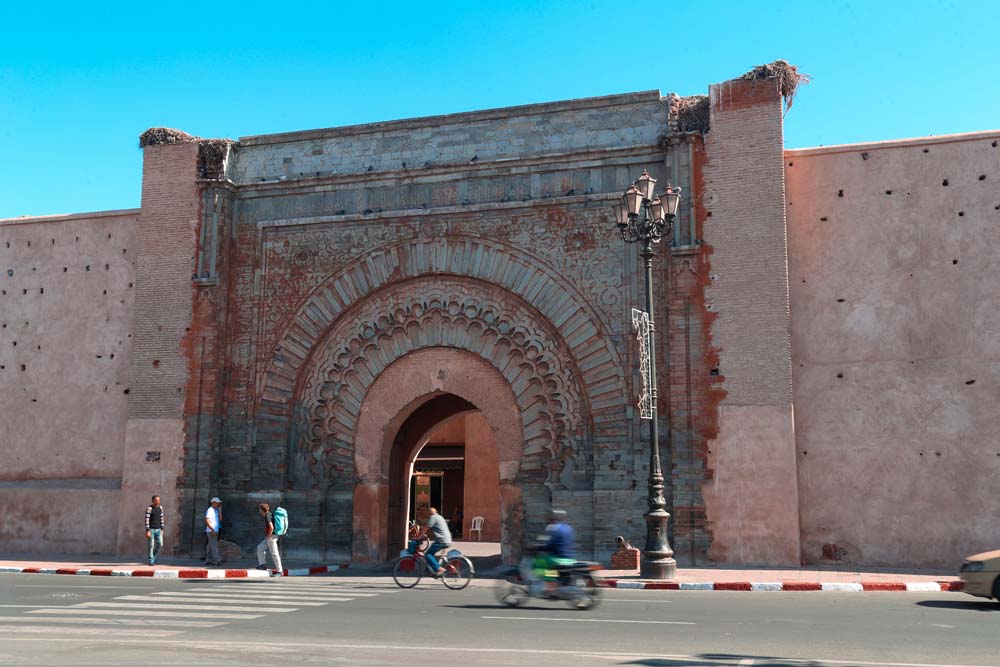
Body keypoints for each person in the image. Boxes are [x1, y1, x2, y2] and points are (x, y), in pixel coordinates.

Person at [532, 508, 577, 582]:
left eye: (549, 518)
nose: (547, 520)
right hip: (570, 558)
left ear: (553, 518)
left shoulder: (555, 528)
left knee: (537, 566)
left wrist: (536, 546)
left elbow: (549, 545)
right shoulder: (568, 528)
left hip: (558, 559)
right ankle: (557, 579)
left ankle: (551, 584)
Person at [422, 506, 452, 577]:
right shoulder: (440, 517)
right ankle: (431, 570)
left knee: (428, 554)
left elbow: (427, 527)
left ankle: (439, 569)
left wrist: (420, 535)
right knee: (431, 552)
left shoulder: (433, 517)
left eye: (428, 514)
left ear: (429, 513)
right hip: (447, 539)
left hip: (441, 541)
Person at [256, 503, 283, 577]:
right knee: (260, 548)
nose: (259, 510)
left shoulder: (268, 516)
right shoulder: (269, 515)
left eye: (260, 509)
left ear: (262, 510)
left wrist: (268, 536)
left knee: (274, 553)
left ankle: (280, 571)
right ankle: (263, 565)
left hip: (271, 537)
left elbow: (271, 527)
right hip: (271, 536)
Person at [144, 495, 164, 566]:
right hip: (151, 529)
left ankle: (154, 556)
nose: (158, 501)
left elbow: (161, 518)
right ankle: (151, 560)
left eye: (159, 500)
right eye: (156, 500)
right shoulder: (149, 508)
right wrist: (147, 530)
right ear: (153, 501)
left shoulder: (161, 508)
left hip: (158, 529)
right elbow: (146, 520)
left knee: (160, 544)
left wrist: (162, 528)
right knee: (151, 545)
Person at [204, 497, 223, 566]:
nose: (218, 504)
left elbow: (220, 519)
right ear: (213, 503)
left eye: (219, 503)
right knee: (214, 545)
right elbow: (206, 520)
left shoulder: (216, 510)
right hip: (211, 531)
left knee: (210, 546)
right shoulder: (210, 510)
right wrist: (212, 530)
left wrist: (220, 510)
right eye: (217, 503)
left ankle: (207, 560)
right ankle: (218, 559)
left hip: (215, 530)